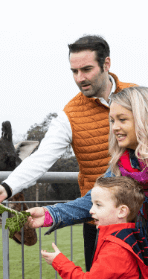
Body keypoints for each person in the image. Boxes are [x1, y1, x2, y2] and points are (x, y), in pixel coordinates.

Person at [0, 35, 136, 270]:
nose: (79, 78)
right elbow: (42, 157)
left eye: (86, 69)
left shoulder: (138, 97)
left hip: (139, 217)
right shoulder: (69, 115)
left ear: (106, 64)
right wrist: (6, 187)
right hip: (96, 218)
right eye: (74, 71)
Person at [28, 86, 148, 240]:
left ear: (143, 119)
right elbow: (90, 202)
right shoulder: (121, 166)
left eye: (122, 119)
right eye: (112, 120)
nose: (115, 127)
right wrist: (49, 214)